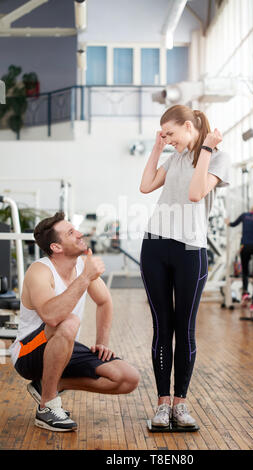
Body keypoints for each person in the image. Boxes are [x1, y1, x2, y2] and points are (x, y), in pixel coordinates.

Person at [139, 105, 230, 428]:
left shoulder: (217, 157)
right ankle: (162, 405)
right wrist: (157, 147)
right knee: (162, 327)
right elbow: (146, 185)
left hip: (191, 249)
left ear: (189, 126)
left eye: (172, 134)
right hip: (155, 244)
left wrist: (205, 148)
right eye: (165, 135)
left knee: (185, 328)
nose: (169, 140)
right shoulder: (173, 156)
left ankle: (181, 404)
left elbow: (195, 193)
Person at [9, 212, 140, 432]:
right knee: (68, 321)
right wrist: (85, 278)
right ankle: (47, 406)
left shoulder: (80, 266)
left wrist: (102, 342)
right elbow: (51, 317)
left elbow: (105, 301)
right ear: (56, 247)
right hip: (27, 354)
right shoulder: (39, 271)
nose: (79, 233)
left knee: (128, 378)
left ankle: (52, 384)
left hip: (62, 349)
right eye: (71, 232)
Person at [225, 206, 253, 311]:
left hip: (245, 246)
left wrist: (227, 222)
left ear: (250, 209)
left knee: (245, 270)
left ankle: (245, 292)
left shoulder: (244, 215)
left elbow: (233, 224)